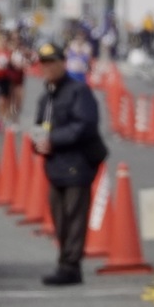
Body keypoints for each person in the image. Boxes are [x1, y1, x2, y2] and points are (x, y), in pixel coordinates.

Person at [31, 41, 107, 286]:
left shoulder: (77, 91)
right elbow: (38, 127)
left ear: (63, 63)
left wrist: (52, 140)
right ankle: (66, 261)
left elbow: (85, 125)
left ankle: (70, 265)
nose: (48, 67)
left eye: (52, 62)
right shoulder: (46, 97)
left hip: (78, 162)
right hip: (55, 165)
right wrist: (38, 143)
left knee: (74, 216)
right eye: (44, 63)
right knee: (60, 216)